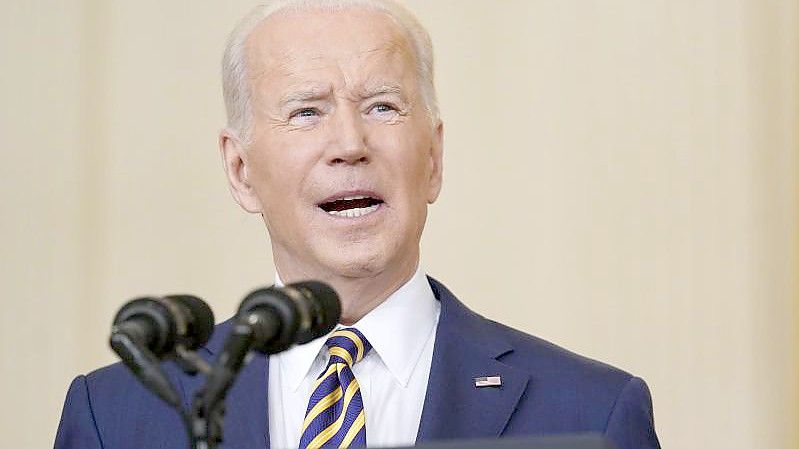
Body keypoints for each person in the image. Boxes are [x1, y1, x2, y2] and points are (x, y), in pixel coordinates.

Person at [54, 1, 661, 449]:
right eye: (306, 111)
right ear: (240, 170)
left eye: (382, 106)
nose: (349, 143)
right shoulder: (119, 415)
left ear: (433, 158)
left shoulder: (591, 413)